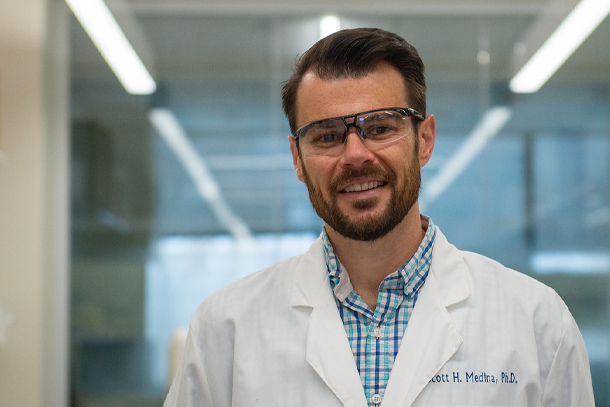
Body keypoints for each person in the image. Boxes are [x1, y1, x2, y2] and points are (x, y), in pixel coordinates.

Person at [164, 28, 594, 407]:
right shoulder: (226, 329)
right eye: (327, 136)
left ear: (424, 141)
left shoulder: (536, 323)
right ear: (297, 159)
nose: (355, 155)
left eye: (381, 127)